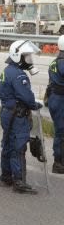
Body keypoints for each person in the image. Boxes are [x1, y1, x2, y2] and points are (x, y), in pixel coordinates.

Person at [0, 39, 42, 193]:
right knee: (18, 147)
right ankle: (19, 181)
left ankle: (6, 177)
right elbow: (27, 97)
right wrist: (34, 105)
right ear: (17, 56)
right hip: (17, 116)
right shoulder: (18, 75)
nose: (29, 59)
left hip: (6, 113)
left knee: (8, 144)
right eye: (26, 56)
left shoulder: (7, 70)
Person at [47, 35, 64, 174]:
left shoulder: (55, 61)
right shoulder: (62, 62)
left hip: (54, 98)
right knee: (61, 132)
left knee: (60, 131)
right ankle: (58, 163)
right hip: (60, 100)